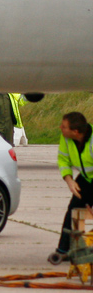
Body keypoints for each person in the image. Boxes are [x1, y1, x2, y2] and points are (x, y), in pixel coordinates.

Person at [48, 111, 93, 264]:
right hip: (87, 179)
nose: (60, 128)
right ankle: (64, 250)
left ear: (75, 131)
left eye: (64, 126)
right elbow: (63, 159)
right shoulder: (66, 138)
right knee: (73, 209)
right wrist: (69, 180)